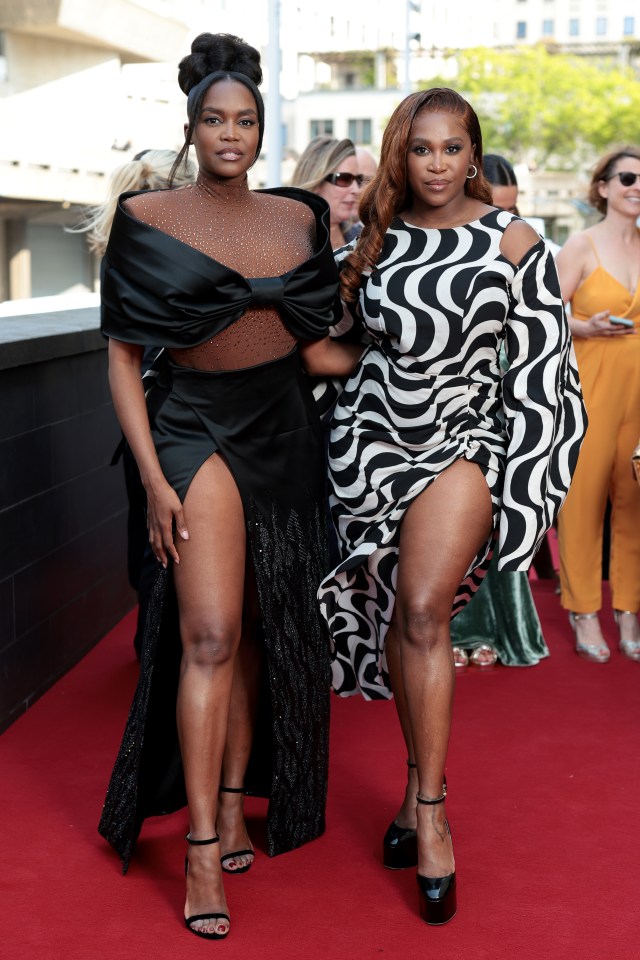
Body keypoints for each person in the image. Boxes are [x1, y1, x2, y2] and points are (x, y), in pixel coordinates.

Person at [98, 32, 361, 940]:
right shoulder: (148, 218)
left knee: (258, 628)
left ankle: (244, 795)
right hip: (191, 426)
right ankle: (204, 847)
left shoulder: (297, 219)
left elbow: (319, 347)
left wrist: (408, 341)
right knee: (209, 631)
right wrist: (153, 477)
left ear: (262, 128)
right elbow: (125, 359)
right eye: (215, 119)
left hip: (282, 426)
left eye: (246, 120)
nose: (231, 134)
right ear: (191, 126)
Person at [318, 87, 586, 925]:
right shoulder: (374, 240)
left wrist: (524, 481)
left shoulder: (515, 241)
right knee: (400, 615)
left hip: (464, 441)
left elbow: (543, 368)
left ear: (475, 153)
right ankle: (412, 786)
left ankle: (431, 813)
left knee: (427, 610)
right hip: (370, 441)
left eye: (452, 148)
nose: (437, 164)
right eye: (422, 148)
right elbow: (338, 348)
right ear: (402, 154)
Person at [74, 149, 197, 658]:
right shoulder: (141, 263)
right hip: (163, 420)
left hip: (156, 422)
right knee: (161, 545)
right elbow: (123, 360)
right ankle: (158, 662)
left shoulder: (128, 259)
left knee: (156, 545)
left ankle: (158, 656)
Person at [450, 152, 548, 670]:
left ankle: (495, 626)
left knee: (497, 517)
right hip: (455, 408)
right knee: (456, 524)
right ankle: (456, 627)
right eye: (496, 208)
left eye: (515, 210)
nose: (507, 221)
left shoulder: (525, 246)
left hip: (511, 404)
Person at [555, 146, 640, 663]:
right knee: (583, 501)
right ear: (603, 186)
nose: (637, 185)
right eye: (627, 176)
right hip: (589, 387)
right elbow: (539, 316)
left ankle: (629, 607)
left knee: (634, 501)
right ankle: (584, 609)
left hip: (639, 390)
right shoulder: (580, 246)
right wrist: (584, 326)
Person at [290, 136, 363, 249]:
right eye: (344, 179)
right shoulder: (288, 243)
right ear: (317, 181)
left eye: (358, 180)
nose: (356, 190)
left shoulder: (362, 238)